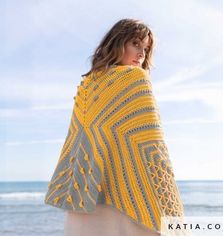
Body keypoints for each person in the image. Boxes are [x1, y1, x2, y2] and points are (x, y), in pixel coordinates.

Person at [44, 18, 187, 236]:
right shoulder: (135, 78)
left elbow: (79, 140)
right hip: (128, 195)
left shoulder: (88, 83)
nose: (141, 54)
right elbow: (152, 143)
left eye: (146, 49)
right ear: (117, 42)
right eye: (136, 44)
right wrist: (165, 192)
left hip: (86, 192)